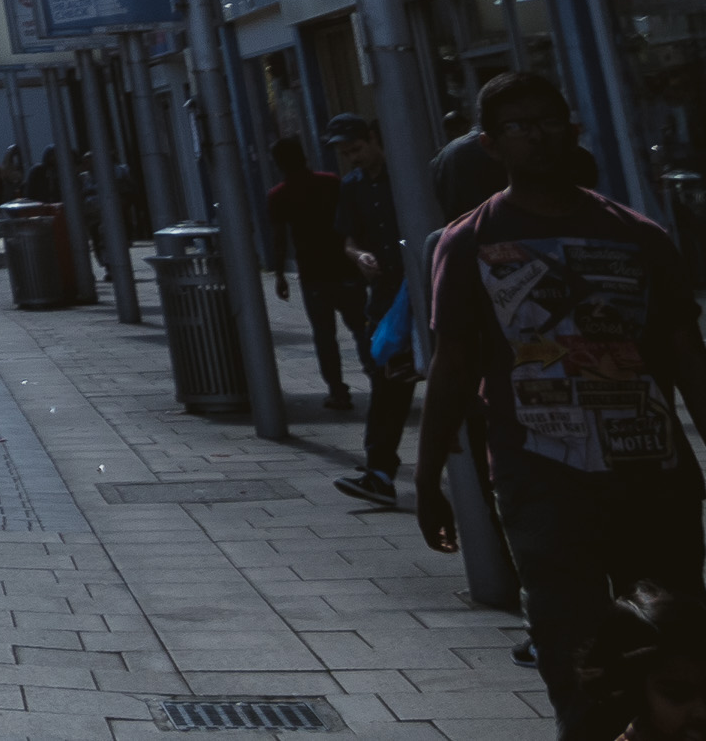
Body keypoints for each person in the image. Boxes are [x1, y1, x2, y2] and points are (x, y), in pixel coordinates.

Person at [416, 73, 706, 739]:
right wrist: (429, 476)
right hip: (543, 479)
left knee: (672, 639)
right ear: (491, 143)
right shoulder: (467, 243)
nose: (538, 134)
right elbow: (453, 364)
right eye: (518, 124)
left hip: (653, 476)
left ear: (573, 126)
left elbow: (687, 354)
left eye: (549, 119)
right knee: (572, 645)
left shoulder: (642, 237)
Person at [330, 113, 426, 508]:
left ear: (373, 138)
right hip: (387, 300)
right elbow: (348, 239)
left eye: (355, 149)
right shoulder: (352, 187)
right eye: (345, 152)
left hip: (423, 290)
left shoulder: (406, 174)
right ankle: (380, 472)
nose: (352, 158)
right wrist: (359, 255)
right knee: (387, 385)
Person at [263, 133, 358, 413]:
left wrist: (280, 274)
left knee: (324, 335)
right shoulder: (331, 183)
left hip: (312, 272)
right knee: (362, 328)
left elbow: (280, 239)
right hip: (344, 266)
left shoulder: (279, 196)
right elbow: (351, 221)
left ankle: (338, 391)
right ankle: (381, 378)